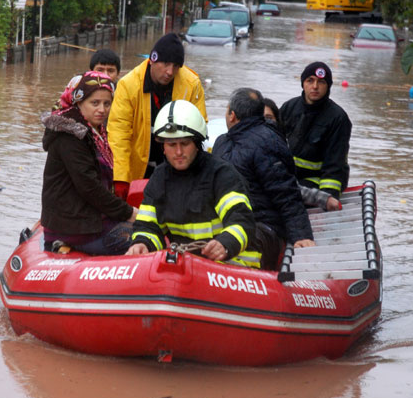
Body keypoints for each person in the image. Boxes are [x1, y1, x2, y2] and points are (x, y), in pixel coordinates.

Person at [126, 100, 262, 269]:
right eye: (171, 145)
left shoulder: (222, 174)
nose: (178, 152)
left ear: (197, 144)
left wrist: (225, 243)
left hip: (234, 263)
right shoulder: (159, 178)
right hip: (190, 267)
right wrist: (142, 243)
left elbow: (242, 221)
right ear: (163, 147)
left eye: (184, 144)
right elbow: (148, 225)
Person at [213, 88, 315, 268]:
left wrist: (301, 235)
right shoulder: (222, 142)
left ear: (232, 115)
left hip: (262, 227)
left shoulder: (267, 142)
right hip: (229, 223)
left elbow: (285, 192)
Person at [41, 71, 137, 255]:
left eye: (107, 103)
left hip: (87, 220)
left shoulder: (94, 131)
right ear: (79, 102)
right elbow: (90, 187)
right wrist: (129, 213)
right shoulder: (70, 136)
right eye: (95, 103)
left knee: (148, 231)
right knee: (147, 238)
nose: (102, 109)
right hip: (73, 227)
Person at [107, 32, 208, 200]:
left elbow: (199, 130)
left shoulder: (192, 84)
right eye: (166, 64)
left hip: (176, 165)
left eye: (176, 66)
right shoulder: (128, 85)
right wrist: (120, 177)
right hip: (139, 166)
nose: (170, 71)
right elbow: (119, 134)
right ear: (152, 59)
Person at [279, 61, 352, 199]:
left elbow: (335, 164)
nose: (315, 86)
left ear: (328, 86)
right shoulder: (288, 108)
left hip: (317, 181)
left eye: (321, 82)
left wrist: (328, 198)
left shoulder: (338, 118)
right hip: (290, 178)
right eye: (310, 80)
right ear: (303, 83)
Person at [263, 97, 341, 212]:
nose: (264, 123)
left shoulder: (278, 147)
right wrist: (324, 199)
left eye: (269, 118)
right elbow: (285, 187)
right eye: (258, 118)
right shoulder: (260, 151)